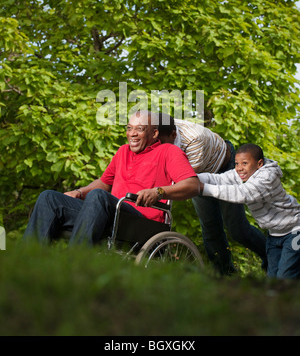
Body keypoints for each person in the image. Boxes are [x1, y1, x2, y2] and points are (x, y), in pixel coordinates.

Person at [23, 111, 200, 245]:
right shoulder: (123, 151)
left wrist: (159, 192)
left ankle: (73, 265)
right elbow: (104, 183)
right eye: (129, 128)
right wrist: (80, 191)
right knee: (49, 197)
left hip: (141, 221)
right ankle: (28, 263)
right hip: (108, 214)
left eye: (139, 129)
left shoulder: (169, 152)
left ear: (154, 134)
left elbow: (193, 185)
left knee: (98, 197)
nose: (132, 134)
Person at [158, 114, 267, 275]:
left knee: (237, 229)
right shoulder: (157, 134)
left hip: (223, 168)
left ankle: (274, 257)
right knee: (210, 228)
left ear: (173, 135)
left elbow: (183, 184)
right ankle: (224, 274)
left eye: (162, 143)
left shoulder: (194, 140)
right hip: (199, 175)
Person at [197, 143, 300, 279]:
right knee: (273, 279)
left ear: (259, 164)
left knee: (285, 277)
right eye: (237, 164)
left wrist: (203, 188)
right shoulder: (243, 172)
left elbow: (243, 193)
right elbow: (218, 179)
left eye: (244, 163)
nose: (239, 168)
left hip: (294, 232)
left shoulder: (267, 177)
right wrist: (190, 178)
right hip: (274, 235)